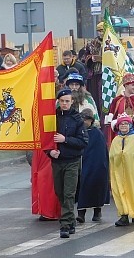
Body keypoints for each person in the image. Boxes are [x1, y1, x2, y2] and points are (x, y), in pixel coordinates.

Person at [45, 88, 89, 238]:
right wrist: (49, 152)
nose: (64, 104)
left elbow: (83, 141)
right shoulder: (53, 117)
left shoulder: (77, 119)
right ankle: (71, 221)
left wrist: (66, 140)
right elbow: (46, 139)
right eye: (62, 101)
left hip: (72, 160)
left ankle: (64, 224)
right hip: (57, 161)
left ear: (71, 102)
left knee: (69, 193)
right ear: (58, 101)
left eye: (67, 101)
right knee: (60, 192)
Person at [109, 113, 134, 227]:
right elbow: (112, 156)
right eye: (121, 124)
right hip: (119, 173)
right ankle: (124, 215)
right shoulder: (116, 140)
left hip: (133, 173)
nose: (123, 126)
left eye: (126, 123)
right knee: (120, 191)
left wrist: (126, 155)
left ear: (130, 125)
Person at [75, 108, 109, 223]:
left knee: (96, 187)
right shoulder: (78, 131)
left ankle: (97, 211)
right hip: (81, 164)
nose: (84, 121)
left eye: (87, 119)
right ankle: (81, 213)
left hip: (95, 165)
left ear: (91, 121)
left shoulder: (97, 134)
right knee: (82, 188)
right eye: (83, 119)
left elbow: (101, 152)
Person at [79, 23, 104, 114]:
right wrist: (90, 58)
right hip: (94, 74)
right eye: (99, 31)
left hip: (107, 73)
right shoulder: (91, 43)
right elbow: (83, 57)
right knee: (95, 97)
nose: (101, 33)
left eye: (103, 30)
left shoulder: (112, 43)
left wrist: (102, 59)